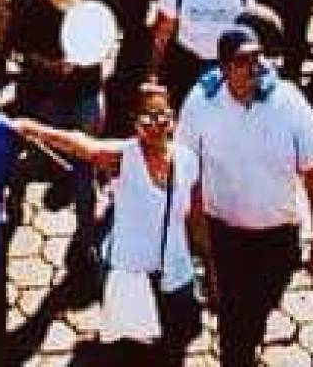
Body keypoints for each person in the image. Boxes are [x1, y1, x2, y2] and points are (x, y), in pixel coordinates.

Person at [179, 23, 313, 367]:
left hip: (278, 236)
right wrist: (199, 241)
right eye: (242, 61)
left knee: (262, 304)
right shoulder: (199, 105)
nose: (254, 68)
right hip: (226, 234)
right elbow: (190, 176)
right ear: (223, 68)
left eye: (257, 58)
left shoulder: (288, 102)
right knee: (235, 323)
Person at [19, 76, 201, 358]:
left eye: (162, 116)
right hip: (131, 274)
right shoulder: (123, 158)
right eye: (147, 118)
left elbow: (194, 215)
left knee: (176, 338)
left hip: (175, 269)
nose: (155, 125)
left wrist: (209, 267)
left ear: (173, 118)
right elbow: (80, 144)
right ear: (135, 124)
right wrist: (33, 129)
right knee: (131, 347)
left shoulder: (187, 160)